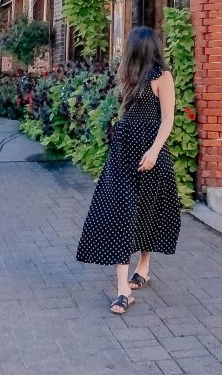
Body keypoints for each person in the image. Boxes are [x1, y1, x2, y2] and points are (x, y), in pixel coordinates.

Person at [76, 26, 181, 314]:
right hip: (124, 150)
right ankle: (123, 289)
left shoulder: (163, 77)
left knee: (148, 211)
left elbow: (167, 120)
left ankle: (144, 267)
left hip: (150, 152)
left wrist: (154, 151)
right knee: (120, 213)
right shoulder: (131, 75)